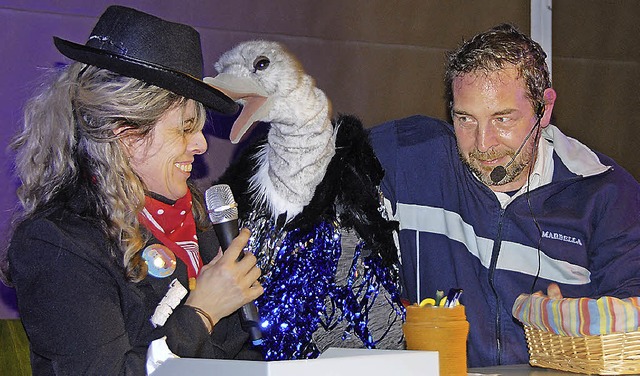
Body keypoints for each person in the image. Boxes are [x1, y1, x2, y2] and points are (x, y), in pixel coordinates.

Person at [0, 6, 264, 374]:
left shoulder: (203, 225)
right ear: (125, 133)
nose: (201, 145)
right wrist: (202, 312)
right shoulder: (57, 243)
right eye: (185, 128)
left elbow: (243, 359)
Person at [369, 23, 640, 367]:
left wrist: (575, 319)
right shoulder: (413, 159)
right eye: (465, 118)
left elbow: (632, 330)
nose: (483, 144)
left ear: (545, 109)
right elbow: (312, 155)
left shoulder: (606, 193)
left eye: (502, 119)